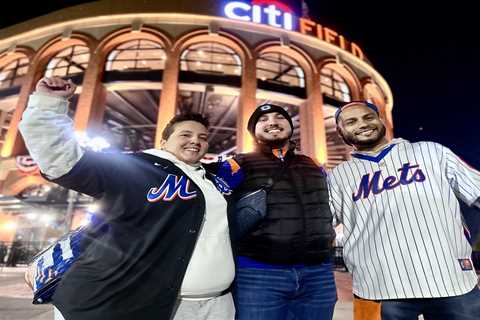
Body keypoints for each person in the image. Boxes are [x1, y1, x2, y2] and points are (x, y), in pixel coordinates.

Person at [19, 77, 236, 320]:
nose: (196, 140)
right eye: (185, 134)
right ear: (163, 141)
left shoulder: (215, 181)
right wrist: (49, 104)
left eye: (203, 137)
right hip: (123, 303)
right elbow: (61, 160)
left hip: (215, 304)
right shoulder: (135, 166)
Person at [328, 101, 480, 320]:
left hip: (452, 281)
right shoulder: (338, 177)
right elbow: (316, 223)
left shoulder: (431, 151)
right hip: (377, 289)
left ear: (381, 121)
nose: (362, 124)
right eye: (351, 122)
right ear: (341, 133)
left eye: (368, 117)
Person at [217, 104, 337, 320]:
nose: (272, 122)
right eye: (263, 120)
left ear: (290, 126)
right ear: (253, 131)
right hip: (259, 275)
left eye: (279, 117)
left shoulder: (314, 164)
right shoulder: (237, 164)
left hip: (318, 275)